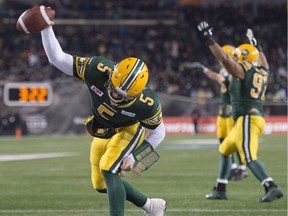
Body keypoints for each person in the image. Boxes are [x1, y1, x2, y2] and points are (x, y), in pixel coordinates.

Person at [39, 16, 167, 216]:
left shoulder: (147, 104)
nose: (115, 96)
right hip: (104, 129)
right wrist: (45, 27)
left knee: (109, 169)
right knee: (100, 184)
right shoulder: (97, 68)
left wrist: (134, 157)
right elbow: (57, 58)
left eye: (122, 96)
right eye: (114, 90)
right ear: (111, 75)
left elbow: (159, 133)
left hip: (129, 128)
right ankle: (151, 206)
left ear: (136, 94)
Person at [197, 21, 283, 202]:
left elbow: (225, 60)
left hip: (247, 119)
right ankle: (221, 189)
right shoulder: (263, 70)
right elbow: (264, 61)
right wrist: (257, 45)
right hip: (252, 118)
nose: (234, 58)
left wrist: (210, 40)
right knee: (225, 149)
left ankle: (271, 186)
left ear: (242, 58)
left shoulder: (242, 71)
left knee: (249, 156)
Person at [190, 46, 248, 181]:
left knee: (234, 140)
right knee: (223, 139)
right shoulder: (226, 70)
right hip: (223, 111)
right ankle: (234, 167)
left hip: (231, 109)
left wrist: (205, 70)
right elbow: (217, 76)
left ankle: (241, 168)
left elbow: (220, 78)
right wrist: (205, 69)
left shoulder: (234, 70)